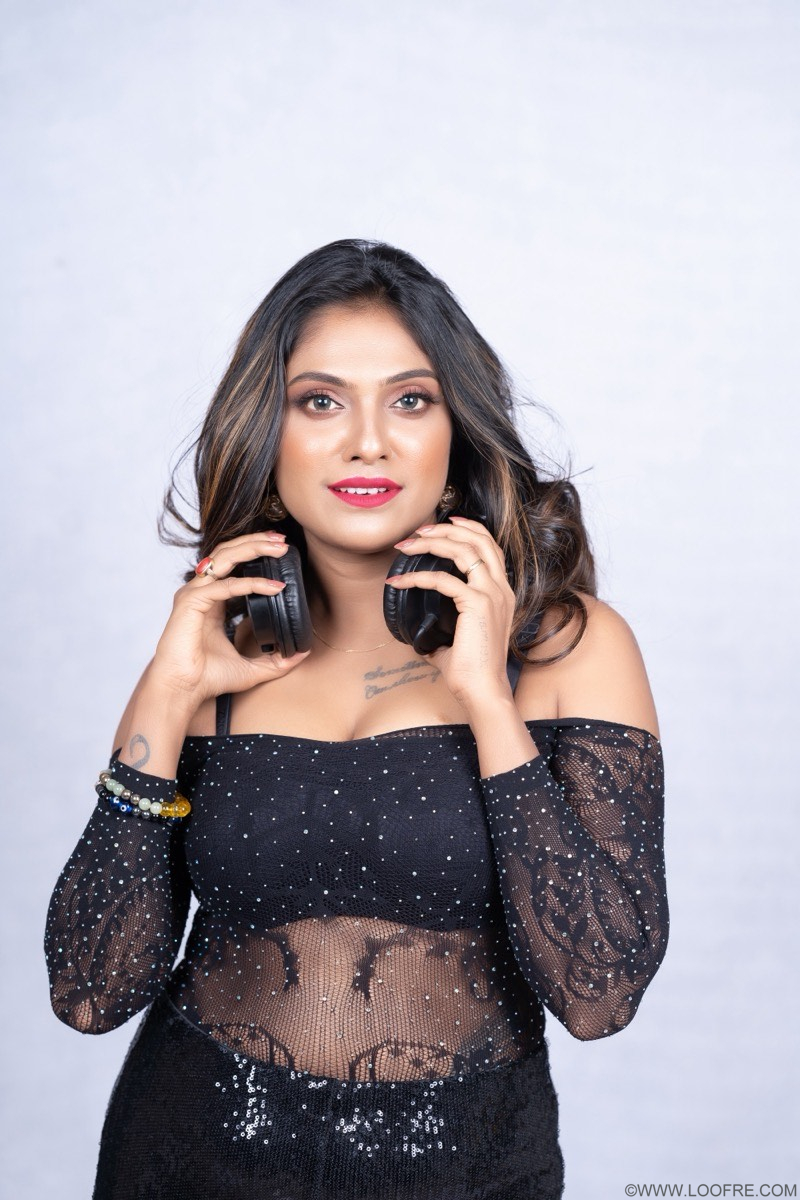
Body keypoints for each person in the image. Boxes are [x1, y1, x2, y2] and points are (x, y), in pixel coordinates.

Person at [44, 238, 669, 1200]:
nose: (367, 441)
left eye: (410, 401)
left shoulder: (566, 649)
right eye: (320, 402)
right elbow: (90, 991)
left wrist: (487, 702)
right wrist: (166, 697)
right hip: (186, 1162)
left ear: (457, 435)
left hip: (468, 1176)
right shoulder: (211, 659)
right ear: (270, 435)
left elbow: (600, 992)